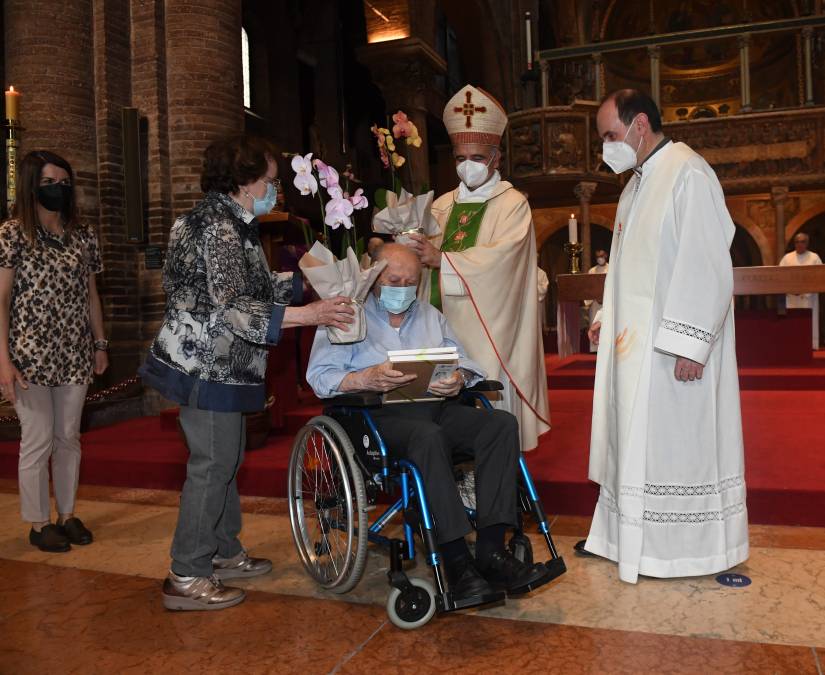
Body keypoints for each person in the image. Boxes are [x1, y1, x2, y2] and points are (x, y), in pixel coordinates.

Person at [140, 136, 355, 611]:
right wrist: (311, 314)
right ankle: (187, 573)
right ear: (244, 181)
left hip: (225, 363)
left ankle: (222, 550)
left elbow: (253, 285)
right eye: (271, 181)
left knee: (228, 459)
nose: (275, 191)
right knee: (212, 465)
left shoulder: (231, 221)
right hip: (207, 363)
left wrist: (312, 281)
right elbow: (234, 308)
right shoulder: (216, 227)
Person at [307, 243, 549, 601]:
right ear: (373, 277)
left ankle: (492, 551)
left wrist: (459, 378)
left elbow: (467, 362)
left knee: (500, 425)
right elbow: (319, 377)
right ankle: (456, 561)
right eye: (394, 281)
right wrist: (364, 378)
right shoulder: (346, 314)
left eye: (411, 282)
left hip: (434, 409)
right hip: (376, 418)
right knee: (428, 436)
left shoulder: (429, 315)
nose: (403, 289)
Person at [583, 90, 748, 584]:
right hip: (632, 349)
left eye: (610, 135)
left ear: (639, 125)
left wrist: (690, 344)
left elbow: (706, 263)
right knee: (634, 446)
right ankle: (627, 541)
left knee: (675, 449)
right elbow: (625, 267)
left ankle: (681, 552)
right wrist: (607, 314)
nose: (606, 147)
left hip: (670, 351)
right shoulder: (634, 185)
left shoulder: (687, 172)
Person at [407, 84, 550, 453]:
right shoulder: (440, 205)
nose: (466, 165)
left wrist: (443, 260)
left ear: (495, 158)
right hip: (440, 320)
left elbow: (505, 262)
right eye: (459, 157)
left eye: (476, 157)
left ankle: (496, 470)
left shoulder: (512, 204)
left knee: (489, 413)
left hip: (492, 328)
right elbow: (422, 258)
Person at [0, 150, 108, 553]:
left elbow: (91, 294)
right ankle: (38, 522)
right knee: (38, 439)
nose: (58, 189)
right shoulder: (12, 233)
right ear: (32, 185)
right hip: (28, 354)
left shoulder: (83, 234)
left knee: (68, 437)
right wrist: (3, 361)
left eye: (64, 182)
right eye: (49, 183)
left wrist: (100, 343)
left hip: (75, 352)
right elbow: (2, 299)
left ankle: (67, 514)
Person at [779, 233, 823, 350]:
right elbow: (780, 276)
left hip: (809, 297)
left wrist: (805, 290)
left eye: (803, 242)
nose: (799, 244)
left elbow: (821, 276)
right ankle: (792, 345)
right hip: (791, 297)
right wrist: (792, 290)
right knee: (793, 323)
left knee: (809, 322)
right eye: (797, 242)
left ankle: (811, 345)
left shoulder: (814, 258)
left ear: (807, 243)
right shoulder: (787, 258)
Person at [585, 250, 609, 353]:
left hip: (607, 302)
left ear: (606, 256)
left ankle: (606, 346)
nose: (600, 258)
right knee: (595, 323)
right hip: (595, 303)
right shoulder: (592, 271)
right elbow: (588, 287)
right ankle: (595, 348)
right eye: (598, 256)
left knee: (606, 324)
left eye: (602, 256)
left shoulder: (610, 269)